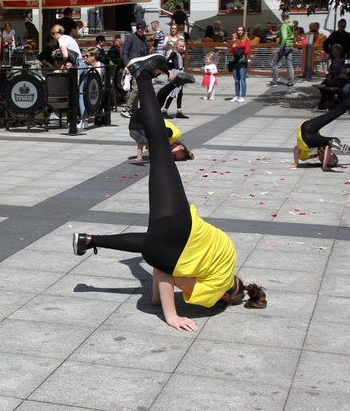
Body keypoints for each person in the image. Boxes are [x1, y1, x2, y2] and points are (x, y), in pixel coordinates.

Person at [74, 54, 266, 331]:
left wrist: (157, 300)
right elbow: (168, 272)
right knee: (160, 146)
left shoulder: (228, 261)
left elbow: (169, 268)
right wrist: (171, 315)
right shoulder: (215, 289)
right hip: (173, 234)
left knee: (161, 146)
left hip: (180, 225)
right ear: (226, 296)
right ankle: (143, 81)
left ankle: (143, 89)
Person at [292, 90, 350, 170]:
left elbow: (296, 148)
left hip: (306, 138)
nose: (327, 161)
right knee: (338, 111)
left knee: (329, 140)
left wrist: (296, 164)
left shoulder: (305, 157)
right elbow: (328, 148)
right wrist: (325, 166)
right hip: (309, 127)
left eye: (327, 162)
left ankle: (334, 141)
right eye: (330, 159)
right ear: (331, 154)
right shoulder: (326, 147)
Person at [120, 22, 149, 118]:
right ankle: (127, 108)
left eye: (141, 28)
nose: (139, 30)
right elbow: (125, 52)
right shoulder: (131, 37)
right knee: (136, 88)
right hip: (132, 66)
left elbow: (146, 52)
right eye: (138, 28)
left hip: (141, 67)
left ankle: (134, 109)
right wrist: (126, 65)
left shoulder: (144, 39)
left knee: (138, 88)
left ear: (144, 29)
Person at [161, 39, 189, 119]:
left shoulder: (180, 54)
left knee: (180, 93)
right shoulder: (173, 53)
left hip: (180, 72)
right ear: (176, 46)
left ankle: (179, 111)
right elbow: (165, 62)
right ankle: (164, 110)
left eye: (183, 46)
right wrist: (169, 71)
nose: (181, 47)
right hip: (175, 73)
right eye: (180, 46)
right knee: (173, 93)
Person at [269, 12, 296, 87]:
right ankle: (291, 81)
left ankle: (275, 80)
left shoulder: (284, 26)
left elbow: (284, 37)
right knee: (289, 64)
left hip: (284, 46)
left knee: (274, 63)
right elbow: (291, 35)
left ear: (283, 17)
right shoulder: (292, 25)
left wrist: (281, 48)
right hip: (290, 45)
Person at [317, 43, 346, 110]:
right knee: (322, 87)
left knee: (330, 88)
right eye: (333, 50)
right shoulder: (332, 59)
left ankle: (331, 101)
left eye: (337, 51)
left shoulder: (342, 60)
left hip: (338, 78)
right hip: (331, 77)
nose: (335, 52)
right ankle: (325, 101)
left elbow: (342, 71)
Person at [229, 25, 250, 103]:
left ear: (243, 31)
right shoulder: (235, 39)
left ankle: (243, 96)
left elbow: (247, 51)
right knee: (236, 80)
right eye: (238, 30)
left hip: (242, 61)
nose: (240, 32)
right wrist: (234, 45)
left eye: (241, 30)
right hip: (235, 60)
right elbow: (232, 50)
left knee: (242, 79)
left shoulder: (246, 40)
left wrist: (238, 48)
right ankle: (236, 95)